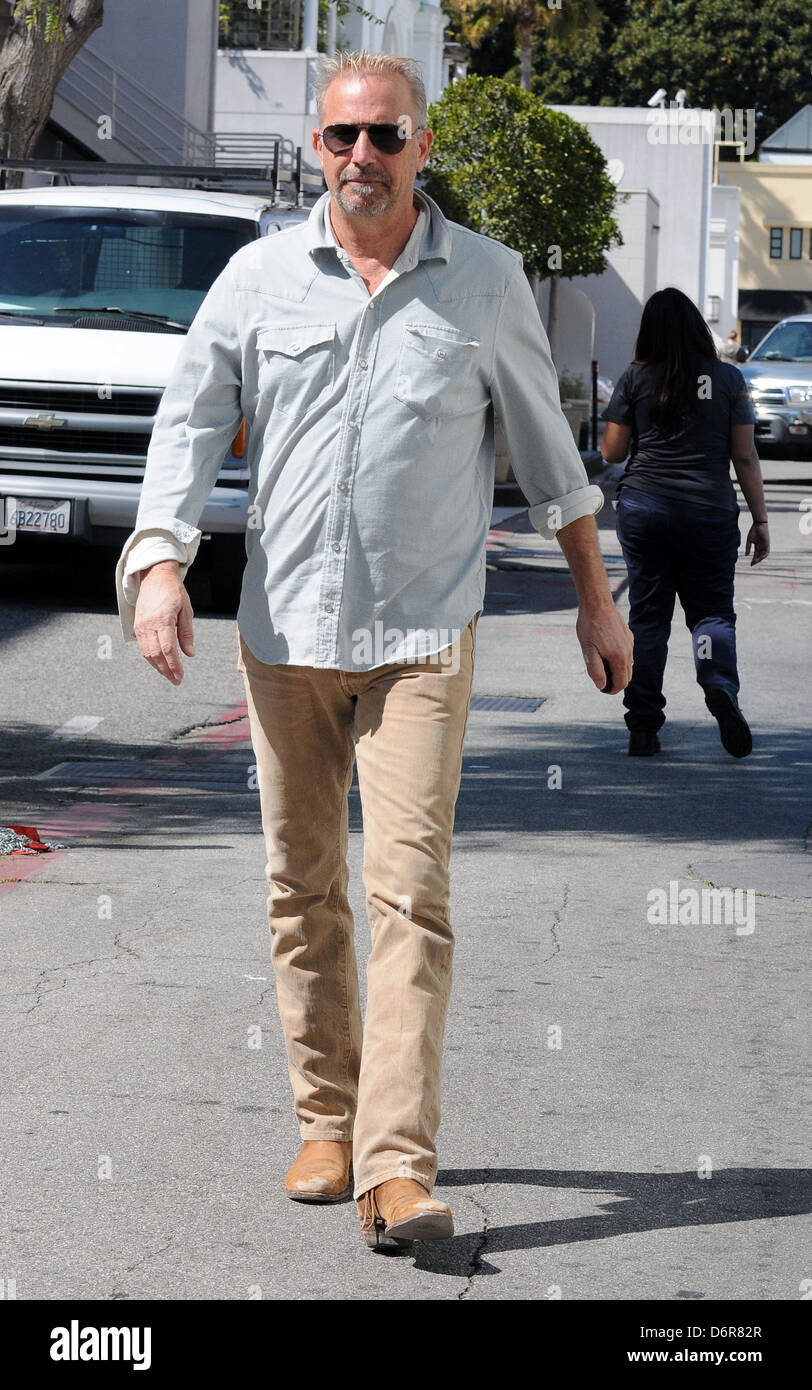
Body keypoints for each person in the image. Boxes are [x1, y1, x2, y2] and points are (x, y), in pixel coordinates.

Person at [114, 50, 633, 1252]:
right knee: (302, 894)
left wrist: (595, 603)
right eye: (341, 138)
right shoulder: (255, 279)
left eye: (384, 137)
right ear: (318, 145)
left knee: (408, 896)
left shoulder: (488, 283)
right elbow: (188, 421)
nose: (360, 159)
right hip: (282, 635)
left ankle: (396, 1169)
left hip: (419, 640)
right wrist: (157, 563)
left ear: (422, 146)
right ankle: (326, 1121)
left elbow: (554, 466)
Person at [601, 287, 769, 758]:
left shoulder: (635, 379)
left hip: (645, 509)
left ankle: (643, 727)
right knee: (711, 613)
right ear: (698, 326)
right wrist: (760, 520)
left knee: (649, 619)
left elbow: (612, 452)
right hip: (709, 513)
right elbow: (744, 455)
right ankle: (718, 685)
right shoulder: (729, 380)